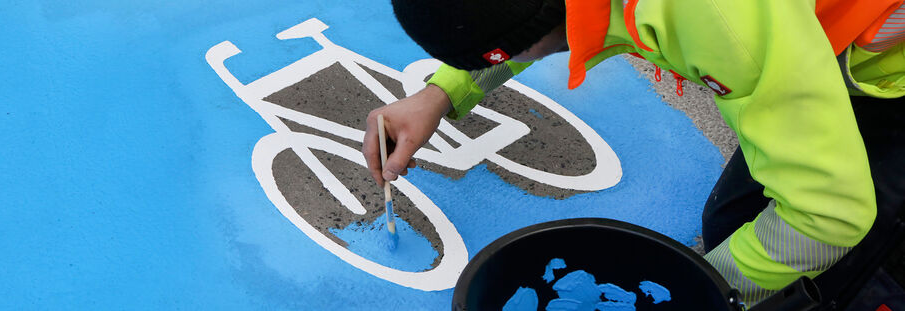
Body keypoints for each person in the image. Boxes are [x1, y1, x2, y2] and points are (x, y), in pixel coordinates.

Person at [362, 0, 905, 308]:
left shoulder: (717, 23)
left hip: (886, 63)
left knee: (841, 269)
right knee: (737, 224)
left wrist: (689, 296)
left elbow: (828, 215)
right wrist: (438, 95)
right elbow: (525, 22)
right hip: (790, 44)